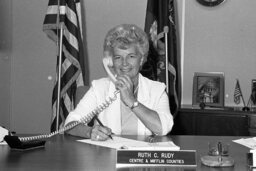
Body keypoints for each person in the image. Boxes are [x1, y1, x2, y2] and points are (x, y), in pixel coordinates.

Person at [64, 24, 173, 141]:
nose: (124, 63)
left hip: (142, 156)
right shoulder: (99, 87)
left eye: (131, 56)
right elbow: (70, 124)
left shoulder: (157, 90)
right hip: (108, 156)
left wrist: (131, 101)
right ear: (110, 61)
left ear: (141, 59)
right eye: (118, 57)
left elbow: (163, 128)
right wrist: (90, 132)